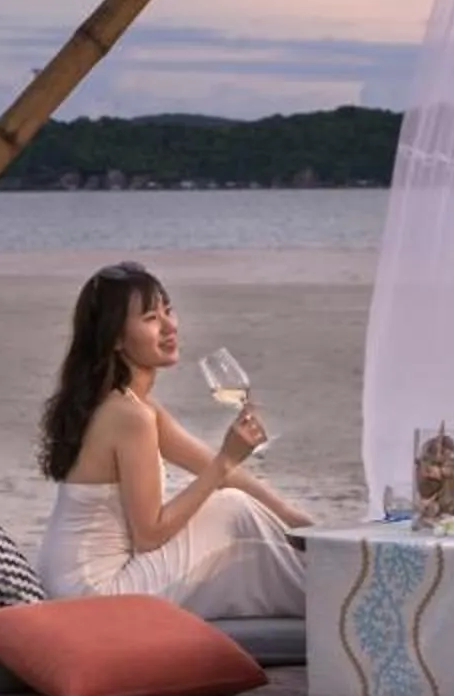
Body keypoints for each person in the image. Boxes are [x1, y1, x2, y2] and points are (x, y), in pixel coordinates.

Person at [33, 261, 313, 617]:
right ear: (116, 338)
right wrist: (226, 457)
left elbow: (214, 469)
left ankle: (321, 589)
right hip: (92, 593)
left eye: (168, 311)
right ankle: (331, 603)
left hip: (68, 581)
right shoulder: (129, 417)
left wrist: (290, 515)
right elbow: (150, 534)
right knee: (233, 511)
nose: (169, 327)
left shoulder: (131, 405)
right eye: (151, 318)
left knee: (234, 507)